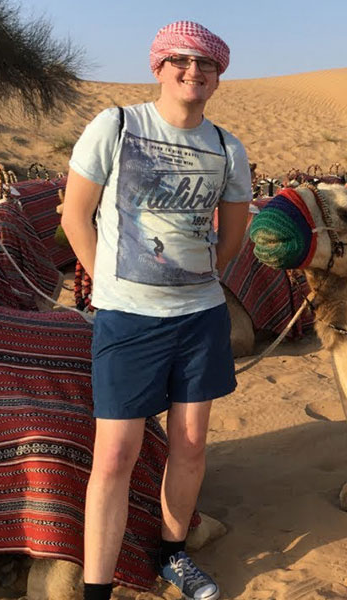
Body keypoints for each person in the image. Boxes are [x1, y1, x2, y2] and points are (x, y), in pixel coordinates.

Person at [61, 20, 252, 600]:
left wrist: (197, 279)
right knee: (116, 453)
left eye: (207, 65)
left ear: (219, 76)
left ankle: (173, 553)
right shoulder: (116, 125)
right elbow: (75, 215)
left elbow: (234, 233)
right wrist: (111, 285)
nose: (194, 72)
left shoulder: (227, 147)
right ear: (159, 66)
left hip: (199, 316)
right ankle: (98, 587)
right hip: (129, 318)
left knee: (190, 444)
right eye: (183, 61)